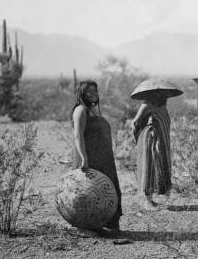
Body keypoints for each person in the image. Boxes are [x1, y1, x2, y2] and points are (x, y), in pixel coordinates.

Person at [72, 80, 122, 235]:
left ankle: (105, 223)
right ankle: (87, 227)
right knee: (90, 192)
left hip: (104, 159)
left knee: (107, 190)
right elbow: (78, 137)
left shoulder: (93, 110)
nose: (94, 94)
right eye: (89, 92)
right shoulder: (81, 111)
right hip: (90, 157)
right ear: (82, 94)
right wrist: (84, 159)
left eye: (95, 91)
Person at [132, 94, 172, 209]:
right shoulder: (146, 104)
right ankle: (147, 200)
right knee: (148, 166)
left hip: (162, 140)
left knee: (156, 167)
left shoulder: (163, 106)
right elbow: (135, 122)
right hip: (150, 139)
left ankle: (151, 199)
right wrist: (139, 136)